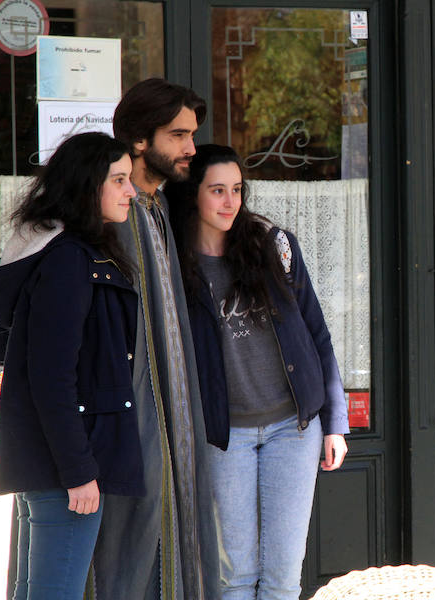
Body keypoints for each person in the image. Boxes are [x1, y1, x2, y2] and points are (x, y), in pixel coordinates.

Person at [165, 144, 349, 599]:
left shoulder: (273, 247)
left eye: (237, 190)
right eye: (217, 191)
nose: (230, 202)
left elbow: (317, 336)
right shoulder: (173, 265)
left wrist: (335, 424)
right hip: (227, 436)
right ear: (194, 196)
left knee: (283, 578)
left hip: (294, 427)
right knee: (236, 577)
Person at [0, 132, 138, 600]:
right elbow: (52, 377)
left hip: (53, 465)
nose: (130, 191)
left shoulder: (64, 252)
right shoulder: (70, 260)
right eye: (119, 179)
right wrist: (77, 470)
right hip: (66, 467)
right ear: (88, 186)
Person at [86, 78, 220, 600]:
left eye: (191, 134)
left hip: (171, 422)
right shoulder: (109, 217)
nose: (191, 147)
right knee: (124, 549)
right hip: (125, 423)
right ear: (140, 140)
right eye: (178, 135)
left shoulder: (159, 208)